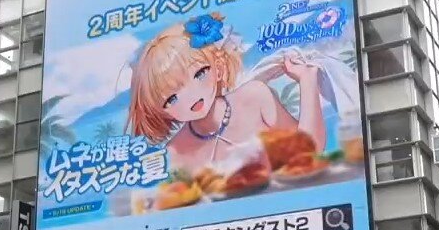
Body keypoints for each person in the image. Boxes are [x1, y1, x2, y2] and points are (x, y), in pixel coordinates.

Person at [126, 13, 325, 181]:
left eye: (199, 74)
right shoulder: (175, 152)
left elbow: (309, 151)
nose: (190, 96)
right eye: (171, 99)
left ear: (218, 68)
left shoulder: (254, 97)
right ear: (162, 112)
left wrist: (307, 80)